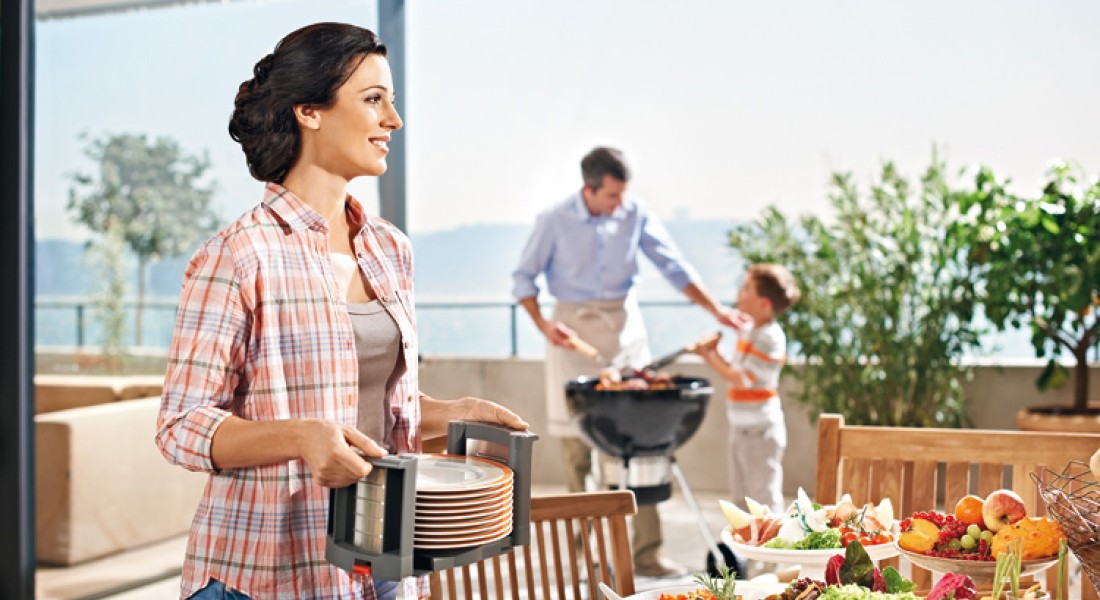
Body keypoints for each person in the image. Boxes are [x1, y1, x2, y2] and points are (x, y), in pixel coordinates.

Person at [155, 22, 528, 600]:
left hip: (384, 565)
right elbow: (182, 427)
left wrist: (449, 411)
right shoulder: (238, 255)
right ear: (310, 111)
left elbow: (362, 405)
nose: (393, 122)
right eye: (373, 100)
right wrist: (302, 437)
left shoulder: (389, 248)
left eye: (392, 102)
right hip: (269, 572)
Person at [511, 146, 749, 577]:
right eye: (611, 197)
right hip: (571, 333)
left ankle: (646, 552)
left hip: (624, 329)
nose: (619, 204)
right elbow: (523, 279)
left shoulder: (634, 214)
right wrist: (545, 326)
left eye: (622, 196)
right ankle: (591, 556)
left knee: (640, 445)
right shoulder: (554, 220)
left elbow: (674, 267)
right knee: (578, 452)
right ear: (589, 188)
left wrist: (718, 313)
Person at [691, 264, 800, 514]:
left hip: (761, 431)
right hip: (741, 427)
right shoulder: (749, 331)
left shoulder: (769, 338)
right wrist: (715, 352)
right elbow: (735, 370)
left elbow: (741, 379)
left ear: (764, 304)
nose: (740, 293)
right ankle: (745, 551)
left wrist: (707, 356)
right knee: (741, 499)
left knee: (764, 499)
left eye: (746, 289)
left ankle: (766, 553)